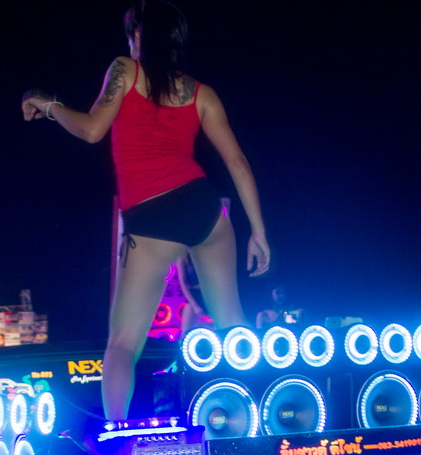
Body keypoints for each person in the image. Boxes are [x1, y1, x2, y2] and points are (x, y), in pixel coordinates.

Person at [22, 0, 271, 421]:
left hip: (152, 216)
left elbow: (91, 130)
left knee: (122, 344)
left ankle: (117, 438)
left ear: (138, 33)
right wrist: (259, 233)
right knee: (233, 325)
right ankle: (265, 410)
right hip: (204, 207)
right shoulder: (202, 93)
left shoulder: (125, 70)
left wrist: (47, 105)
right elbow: (238, 163)